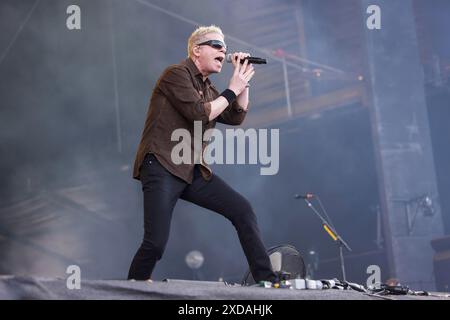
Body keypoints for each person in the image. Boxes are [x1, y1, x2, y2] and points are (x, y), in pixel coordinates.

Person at [128, 25, 277, 284]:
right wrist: (232, 88)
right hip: (162, 164)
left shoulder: (208, 87)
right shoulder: (175, 74)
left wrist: (243, 82)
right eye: (217, 46)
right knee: (155, 244)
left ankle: (267, 280)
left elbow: (235, 116)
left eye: (226, 48)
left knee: (242, 210)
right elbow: (200, 113)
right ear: (197, 50)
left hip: (191, 169)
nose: (224, 51)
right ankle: (132, 288)